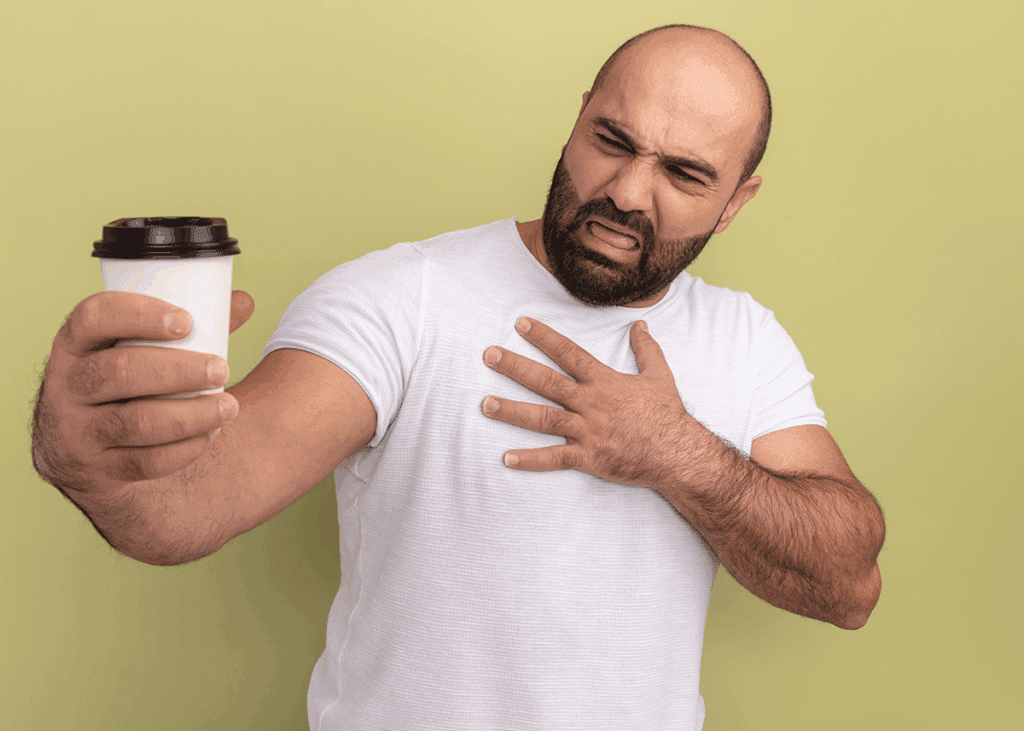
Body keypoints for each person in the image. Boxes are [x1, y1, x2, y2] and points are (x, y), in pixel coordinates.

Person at [31, 23, 885, 731]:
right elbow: (181, 510)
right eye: (612, 141)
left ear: (736, 201)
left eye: (685, 174)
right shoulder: (401, 299)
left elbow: (849, 584)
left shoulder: (743, 339)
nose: (627, 192)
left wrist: (676, 453)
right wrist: (83, 457)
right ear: (577, 119)